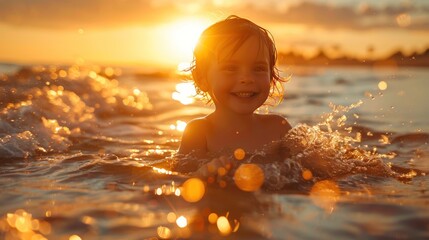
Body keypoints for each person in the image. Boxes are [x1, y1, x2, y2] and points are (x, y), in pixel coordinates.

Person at [178, 15, 292, 162]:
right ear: (202, 79)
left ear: (270, 77)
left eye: (258, 68)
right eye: (231, 68)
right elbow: (182, 176)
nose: (247, 78)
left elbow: (307, 172)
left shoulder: (278, 129)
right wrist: (206, 174)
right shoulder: (200, 133)